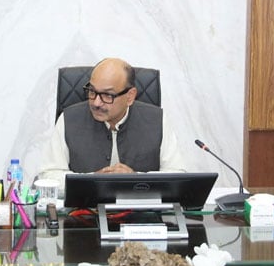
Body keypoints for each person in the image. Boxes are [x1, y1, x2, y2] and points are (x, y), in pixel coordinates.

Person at [38, 58, 184, 186]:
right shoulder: (69, 118)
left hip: (142, 214)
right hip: (84, 213)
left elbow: (177, 174)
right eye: (92, 91)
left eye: (107, 95)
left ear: (130, 96)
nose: (96, 102)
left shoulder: (157, 119)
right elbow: (48, 175)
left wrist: (136, 178)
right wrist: (93, 179)